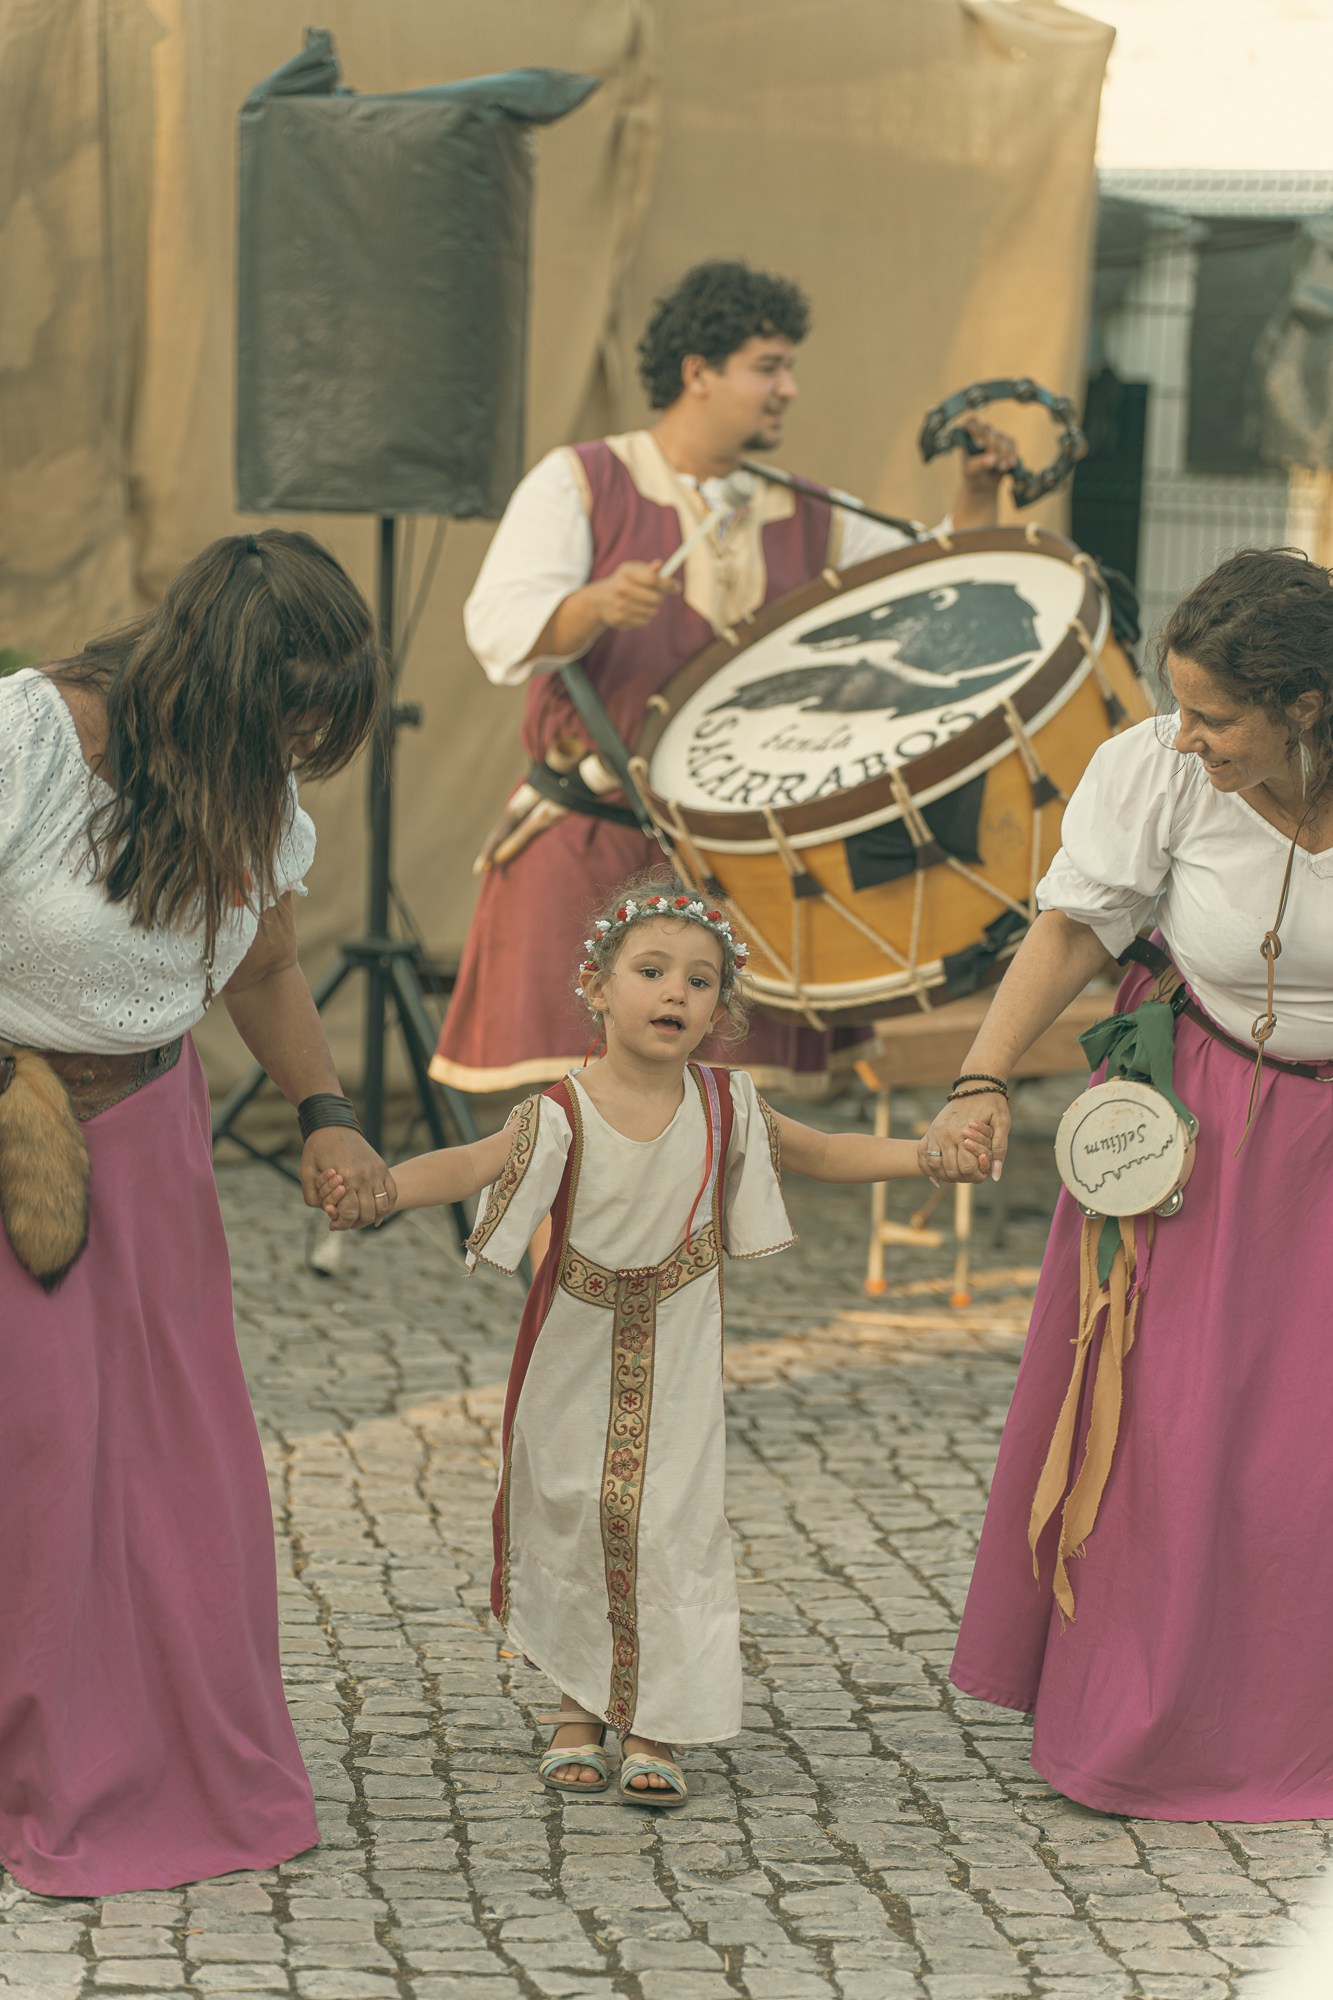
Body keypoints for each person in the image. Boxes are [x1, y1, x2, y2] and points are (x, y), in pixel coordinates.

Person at [323, 870, 986, 1805]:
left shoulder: (727, 1106)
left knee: (670, 1527)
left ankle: (657, 1723)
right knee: (577, 1518)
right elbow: (474, 1161)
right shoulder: (560, 1112)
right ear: (596, 987)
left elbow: (826, 1152)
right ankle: (575, 1709)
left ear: (720, 1008)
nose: (675, 991)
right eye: (650, 970)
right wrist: (386, 1187)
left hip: (677, 1360)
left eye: (700, 980)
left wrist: (923, 1156)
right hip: (572, 1358)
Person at [0, 529, 391, 1895]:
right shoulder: (36, 738)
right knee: (40, 1464)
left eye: (318, 727)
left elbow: (266, 963)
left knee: (177, 1467)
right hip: (13, 1134)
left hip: (155, 1138)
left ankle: (180, 1751)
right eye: (287, 716)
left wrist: (328, 1109)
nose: (299, 748)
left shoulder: (257, 794)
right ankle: (45, 1763)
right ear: (220, 681)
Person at [920, 546, 1333, 1821]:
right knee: (1168, 1428)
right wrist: (982, 1078)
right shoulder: (1156, 768)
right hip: (1196, 1118)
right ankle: (1147, 1714)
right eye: (1183, 705)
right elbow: (1073, 925)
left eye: (1215, 715)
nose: (1187, 734)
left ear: (1305, 705)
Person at [430, 257, 1015, 1100]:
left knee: (716, 1133)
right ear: (697, 374)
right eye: (768, 367)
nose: (788, 389)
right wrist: (593, 605)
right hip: (589, 840)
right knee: (564, 1137)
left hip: (730, 867)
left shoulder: (811, 512)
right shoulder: (583, 482)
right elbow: (498, 628)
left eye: (788, 367)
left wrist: (975, 497)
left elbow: (927, 590)